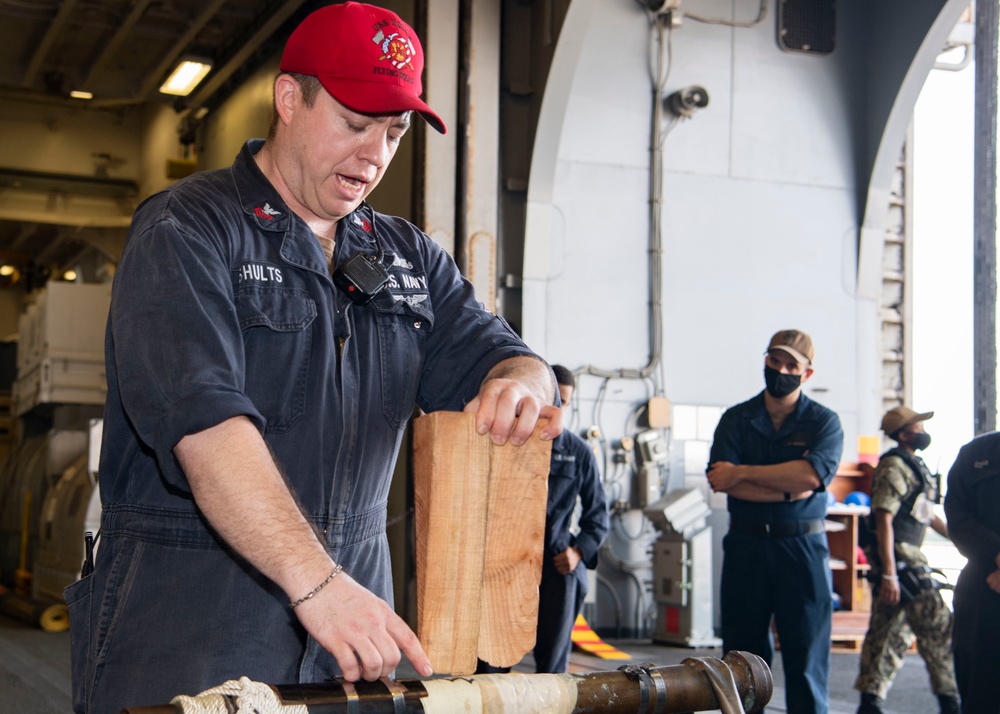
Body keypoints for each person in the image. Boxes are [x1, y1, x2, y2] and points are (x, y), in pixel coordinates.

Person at [64, 4, 562, 714]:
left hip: (350, 639)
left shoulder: (406, 257)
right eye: (355, 124)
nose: (374, 156)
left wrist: (519, 383)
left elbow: (509, 357)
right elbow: (204, 426)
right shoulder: (187, 231)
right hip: (190, 626)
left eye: (394, 132)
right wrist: (318, 585)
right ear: (289, 99)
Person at [707, 329, 844, 714]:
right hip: (746, 547)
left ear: (807, 373)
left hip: (802, 550)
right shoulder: (736, 419)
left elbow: (809, 480)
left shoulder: (824, 422)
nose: (781, 370)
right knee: (741, 661)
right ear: (765, 360)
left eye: (791, 365)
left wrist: (743, 474)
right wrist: (784, 485)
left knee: (806, 661)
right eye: (775, 360)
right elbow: (720, 480)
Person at [476, 365, 609, 675]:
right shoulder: (503, 440)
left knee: (552, 670)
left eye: (567, 401)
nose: (561, 409)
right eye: (556, 400)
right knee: (492, 663)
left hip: (557, 568)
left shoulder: (579, 453)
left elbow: (598, 516)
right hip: (507, 565)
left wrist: (577, 552)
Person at [853, 407, 958, 714]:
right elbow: (883, 518)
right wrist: (889, 574)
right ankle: (950, 700)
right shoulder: (893, 466)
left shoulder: (914, 466)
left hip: (904, 560)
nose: (923, 429)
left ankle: (869, 703)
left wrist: (962, 537)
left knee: (888, 633)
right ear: (903, 433)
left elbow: (925, 514)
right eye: (917, 425)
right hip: (900, 560)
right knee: (937, 628)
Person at [944, 431, 1000, 714]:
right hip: (983, 588)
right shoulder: (976, 453)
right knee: (980, 693)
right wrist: (996, 554)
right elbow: (957, 517)